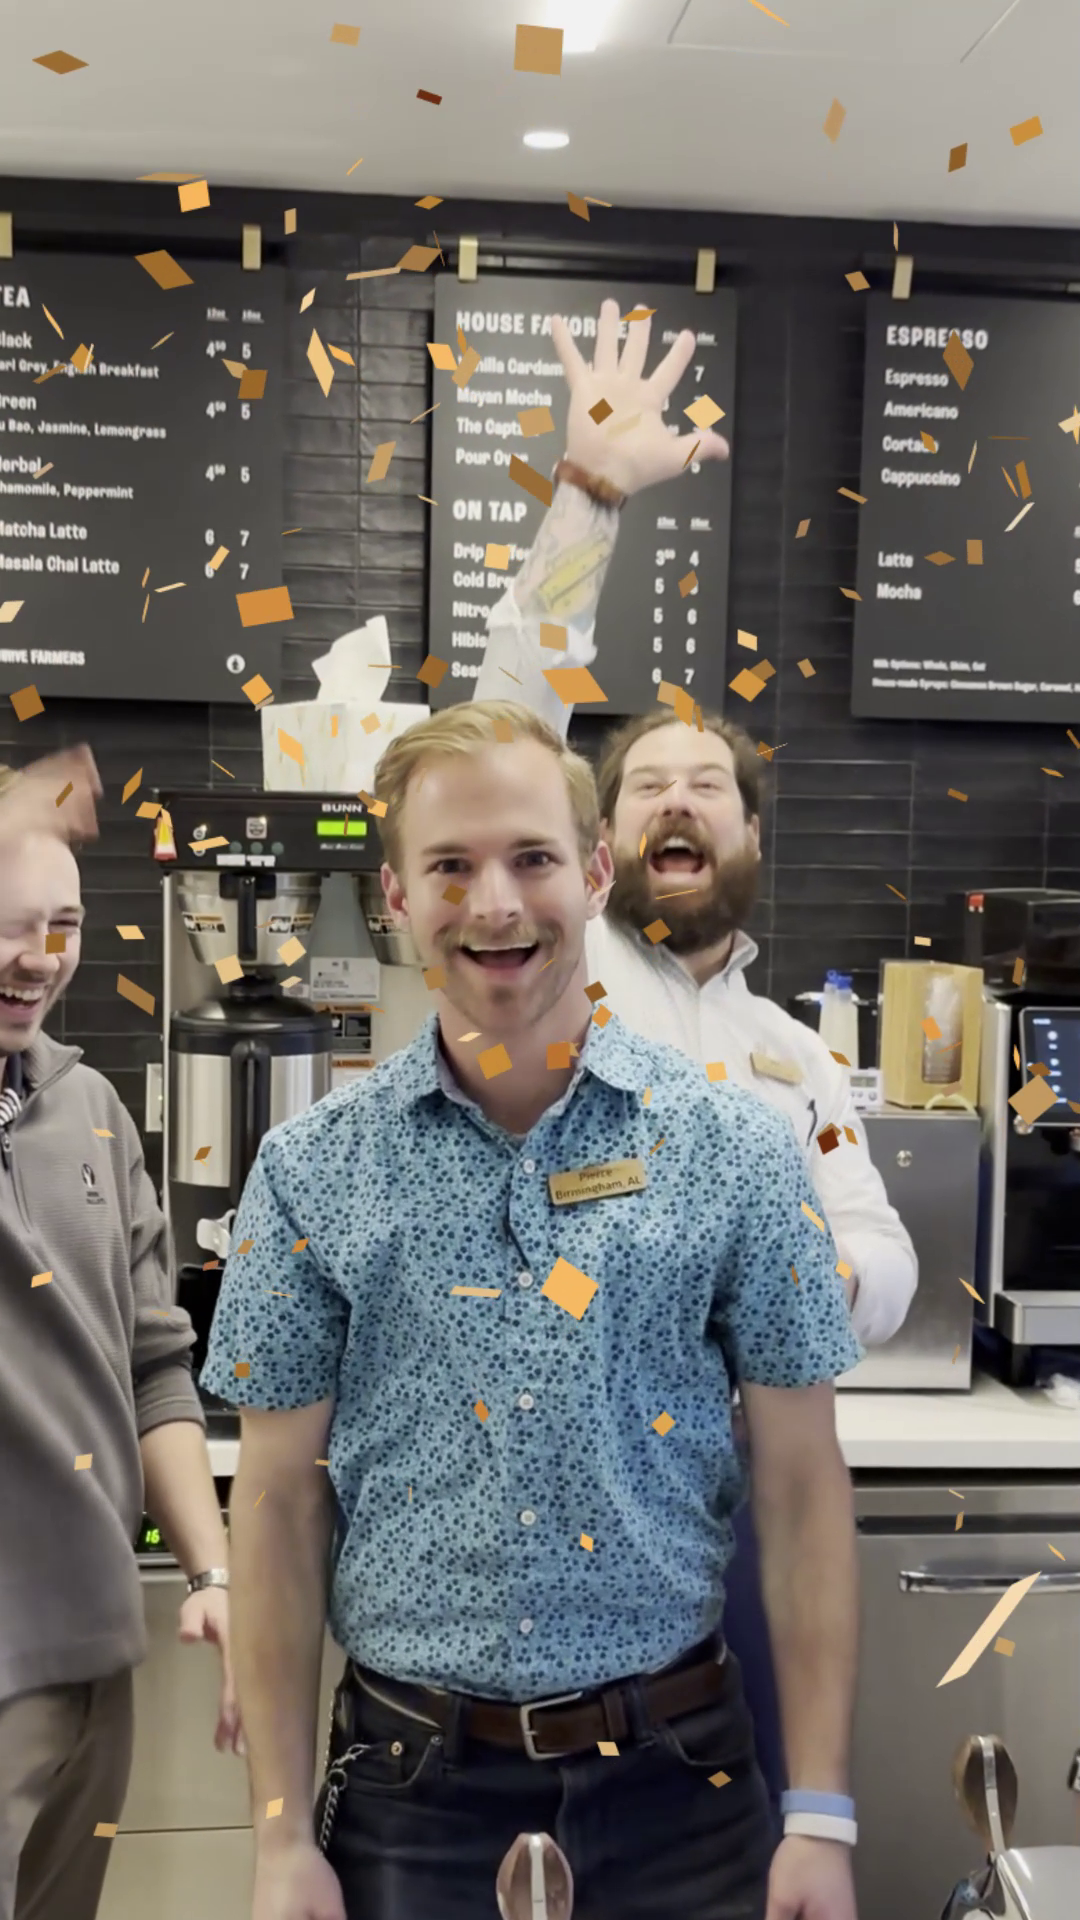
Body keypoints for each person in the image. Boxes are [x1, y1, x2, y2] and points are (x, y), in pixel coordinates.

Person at [202, 697, 864, 1920]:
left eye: (533, 858)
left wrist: (821, 1813)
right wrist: (280, 1836)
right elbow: (279, 1505)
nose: (495, 904)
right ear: (396, 896)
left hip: (684, 1789)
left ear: (596, 874)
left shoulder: (733, 1149)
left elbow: (803, 1482)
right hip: (410, 1797)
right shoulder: (310, 1171)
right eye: (450, 866)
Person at [474, 298, 918, 1803]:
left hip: (746, 1502)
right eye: (646, 782)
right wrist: (588, 499)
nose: (676, 797)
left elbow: (881, 1255)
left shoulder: (797, 1059)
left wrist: (784, 1277)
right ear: (598, 848)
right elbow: (509, 722)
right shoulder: (558, 967)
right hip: (553, 1494)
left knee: (733, 1842)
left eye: (707, 785)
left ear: (747, 836)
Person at [0, 748, 241, 1920]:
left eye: (63, 925)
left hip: (98, 1654)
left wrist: (213, 1571)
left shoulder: (91, 1108)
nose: (37, 958)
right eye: (7, 924)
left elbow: (154, 1366)